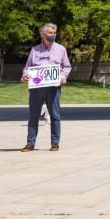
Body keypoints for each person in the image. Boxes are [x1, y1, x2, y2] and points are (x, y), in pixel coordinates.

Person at [20, 22, 71, 152]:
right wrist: (25, 76)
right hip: (36, 88)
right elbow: (27, 68)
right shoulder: (35, 50)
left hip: (53, 88)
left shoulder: (61, 49)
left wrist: (62, 78)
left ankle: (55, 143)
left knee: (54, 115)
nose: (53, 35)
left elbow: (67, 67)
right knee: (33, 116)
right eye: (50, 33)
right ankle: (30, 144)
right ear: (43, 34)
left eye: (54, 33)